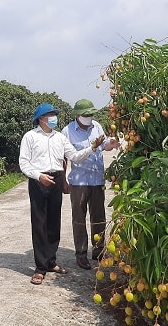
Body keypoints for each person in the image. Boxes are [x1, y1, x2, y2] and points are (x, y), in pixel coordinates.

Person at [19, 102, 105, 285]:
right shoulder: (30, 137)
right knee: (39, 223)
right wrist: (38, 176)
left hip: (56, 178)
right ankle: (40, 268)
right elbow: (24, 163)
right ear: (41, 119)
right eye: (50, 115)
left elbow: (74, 156)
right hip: (38, 179)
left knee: (53, 223)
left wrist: (93, 148)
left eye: (54, 115)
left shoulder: (60, 138)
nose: (53, 118)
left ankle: (51, 262)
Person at [61, 99, 119, 270]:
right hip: (79, 181)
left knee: (99, 218)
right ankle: (80, 253)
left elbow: (105, 146)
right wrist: (63, 180)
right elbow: (64, 157)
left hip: (97, 180)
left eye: (91, 114)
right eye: (86, 115)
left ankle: (99, 250)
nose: (89, 117)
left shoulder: (97, 127)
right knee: (79, 218)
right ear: (78, 115)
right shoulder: (68, 131)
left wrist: (112, 143)